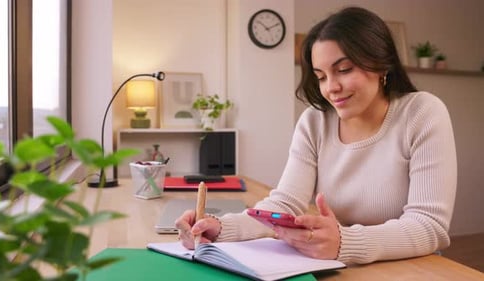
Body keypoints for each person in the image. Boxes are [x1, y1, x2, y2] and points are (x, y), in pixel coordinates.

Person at [175, 6, 457, 265]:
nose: (331, 87)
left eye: (344, 70)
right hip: (343, 264)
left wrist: (345, 242)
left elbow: (428, 224)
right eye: (321, 76)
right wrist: (220, 227)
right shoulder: (315, 121)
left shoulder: (422, 113)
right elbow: (285, 204)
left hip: (410, 267)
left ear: (382, 66)